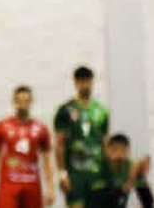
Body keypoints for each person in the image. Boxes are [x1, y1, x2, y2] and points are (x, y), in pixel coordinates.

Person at [0, 86, 55, 208]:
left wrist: (50, 187)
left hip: (32, 186)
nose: (23, 103)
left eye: (26, 100)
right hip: (9, 185)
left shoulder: (41, 129)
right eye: (20, 100)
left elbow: (47, 160)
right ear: (14, 101)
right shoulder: (2, 126)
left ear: (31, 101)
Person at [55, 66, 111, 208]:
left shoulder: (101, 110)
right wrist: (62, 174)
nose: (85, 85)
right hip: (75, 175)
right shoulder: (66, 110)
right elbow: (59, 144)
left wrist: (109, 172)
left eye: (88, 81)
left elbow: (105, 143)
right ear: (75, 82)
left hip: (98, 175)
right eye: (81, 81)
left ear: (92, 82)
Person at [89, 134, 152, 208]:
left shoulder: (128, 167)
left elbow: (148, 202)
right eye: (115, 150)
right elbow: (98, 201)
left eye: (123, 151)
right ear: (108, 151)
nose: (119, 154)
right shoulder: (98, 168)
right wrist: (125, 187)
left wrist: (140, 175)